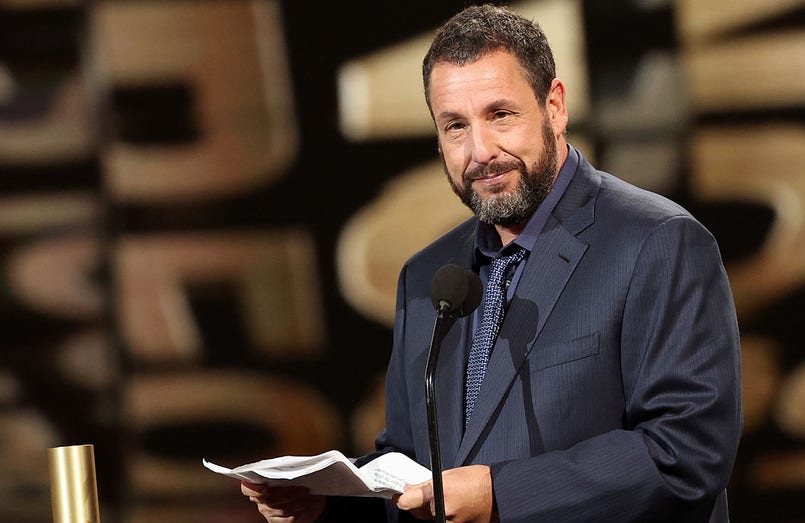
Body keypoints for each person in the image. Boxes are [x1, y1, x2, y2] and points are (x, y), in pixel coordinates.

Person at [241, 4, 742, 522]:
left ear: (555, 107)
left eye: (500, 115)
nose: (481, 151)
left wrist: (500, 493)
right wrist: (327, 503)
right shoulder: (427, 277)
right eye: (455, 126)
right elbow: (416, 470)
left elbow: (685, 453)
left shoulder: (658, 242)